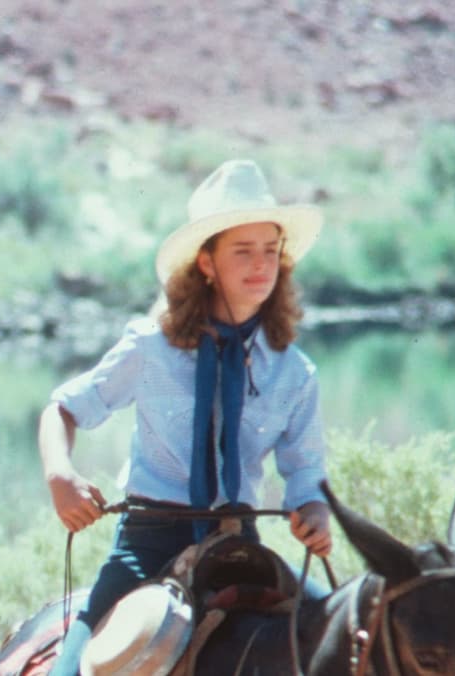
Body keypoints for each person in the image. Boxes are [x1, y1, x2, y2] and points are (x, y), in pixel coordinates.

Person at [40, 159, 335, 673]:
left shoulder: (294, 372)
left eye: (271, 250)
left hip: (242, 546)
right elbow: (62, 409)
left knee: (342, 638)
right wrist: (60, 475)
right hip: (148, 544)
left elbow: (306, 473)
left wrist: (314, 512)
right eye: (242, 250)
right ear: (206, 262)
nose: (261, 264)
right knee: (72, 669)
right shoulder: (150, 348)